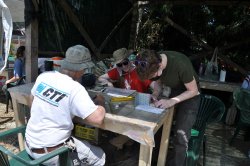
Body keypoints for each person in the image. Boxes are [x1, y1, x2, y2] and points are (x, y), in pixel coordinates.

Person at [25, 45, 106, 166]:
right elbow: (97, 119)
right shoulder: (75, 88)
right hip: (51, 154)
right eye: (84, 69)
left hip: (30, 144)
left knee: (80, 142)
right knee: (100, 157)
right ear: (81, 69)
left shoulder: (43, 77)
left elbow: (31, 101)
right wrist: (100, 102)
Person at [135, 49, 200, 166]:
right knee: (158, 126)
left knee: (181, 134)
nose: (153, 78)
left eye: (152, 76)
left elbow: (193, 90)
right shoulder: (154, 60)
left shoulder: (181, 64)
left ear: (160, 66)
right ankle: (155, 160)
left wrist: (171, 101)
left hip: (190, 94)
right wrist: (155, 94)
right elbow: (159, 82)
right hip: (173, 91)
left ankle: (177, 163)